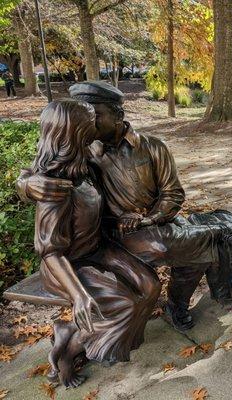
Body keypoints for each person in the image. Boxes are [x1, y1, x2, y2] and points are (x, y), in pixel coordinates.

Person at [17, 81, 232, 332]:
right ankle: (219, 232)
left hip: (155, 223)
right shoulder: (84, 150)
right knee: (167, 246)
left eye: (96, 116)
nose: (90, 124)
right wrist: (26, 184)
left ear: (118, 115)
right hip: (114, 235)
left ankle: (178, 303)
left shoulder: (153, 147)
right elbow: (43, 164)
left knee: (186, 250)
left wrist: (150, 218)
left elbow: (173, 193)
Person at [31, 99, 161, 388]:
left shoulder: (85, 164)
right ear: (75, 131)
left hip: (96, 249)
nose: (97, 124)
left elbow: (94, 215)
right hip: (65, 265)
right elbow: (51, 251)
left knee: (151, 286)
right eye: (91, 121)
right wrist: (78, 295)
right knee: (124, 305)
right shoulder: (55, 187)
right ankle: (69, 349)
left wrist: (124, 218)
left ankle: (84, 335)